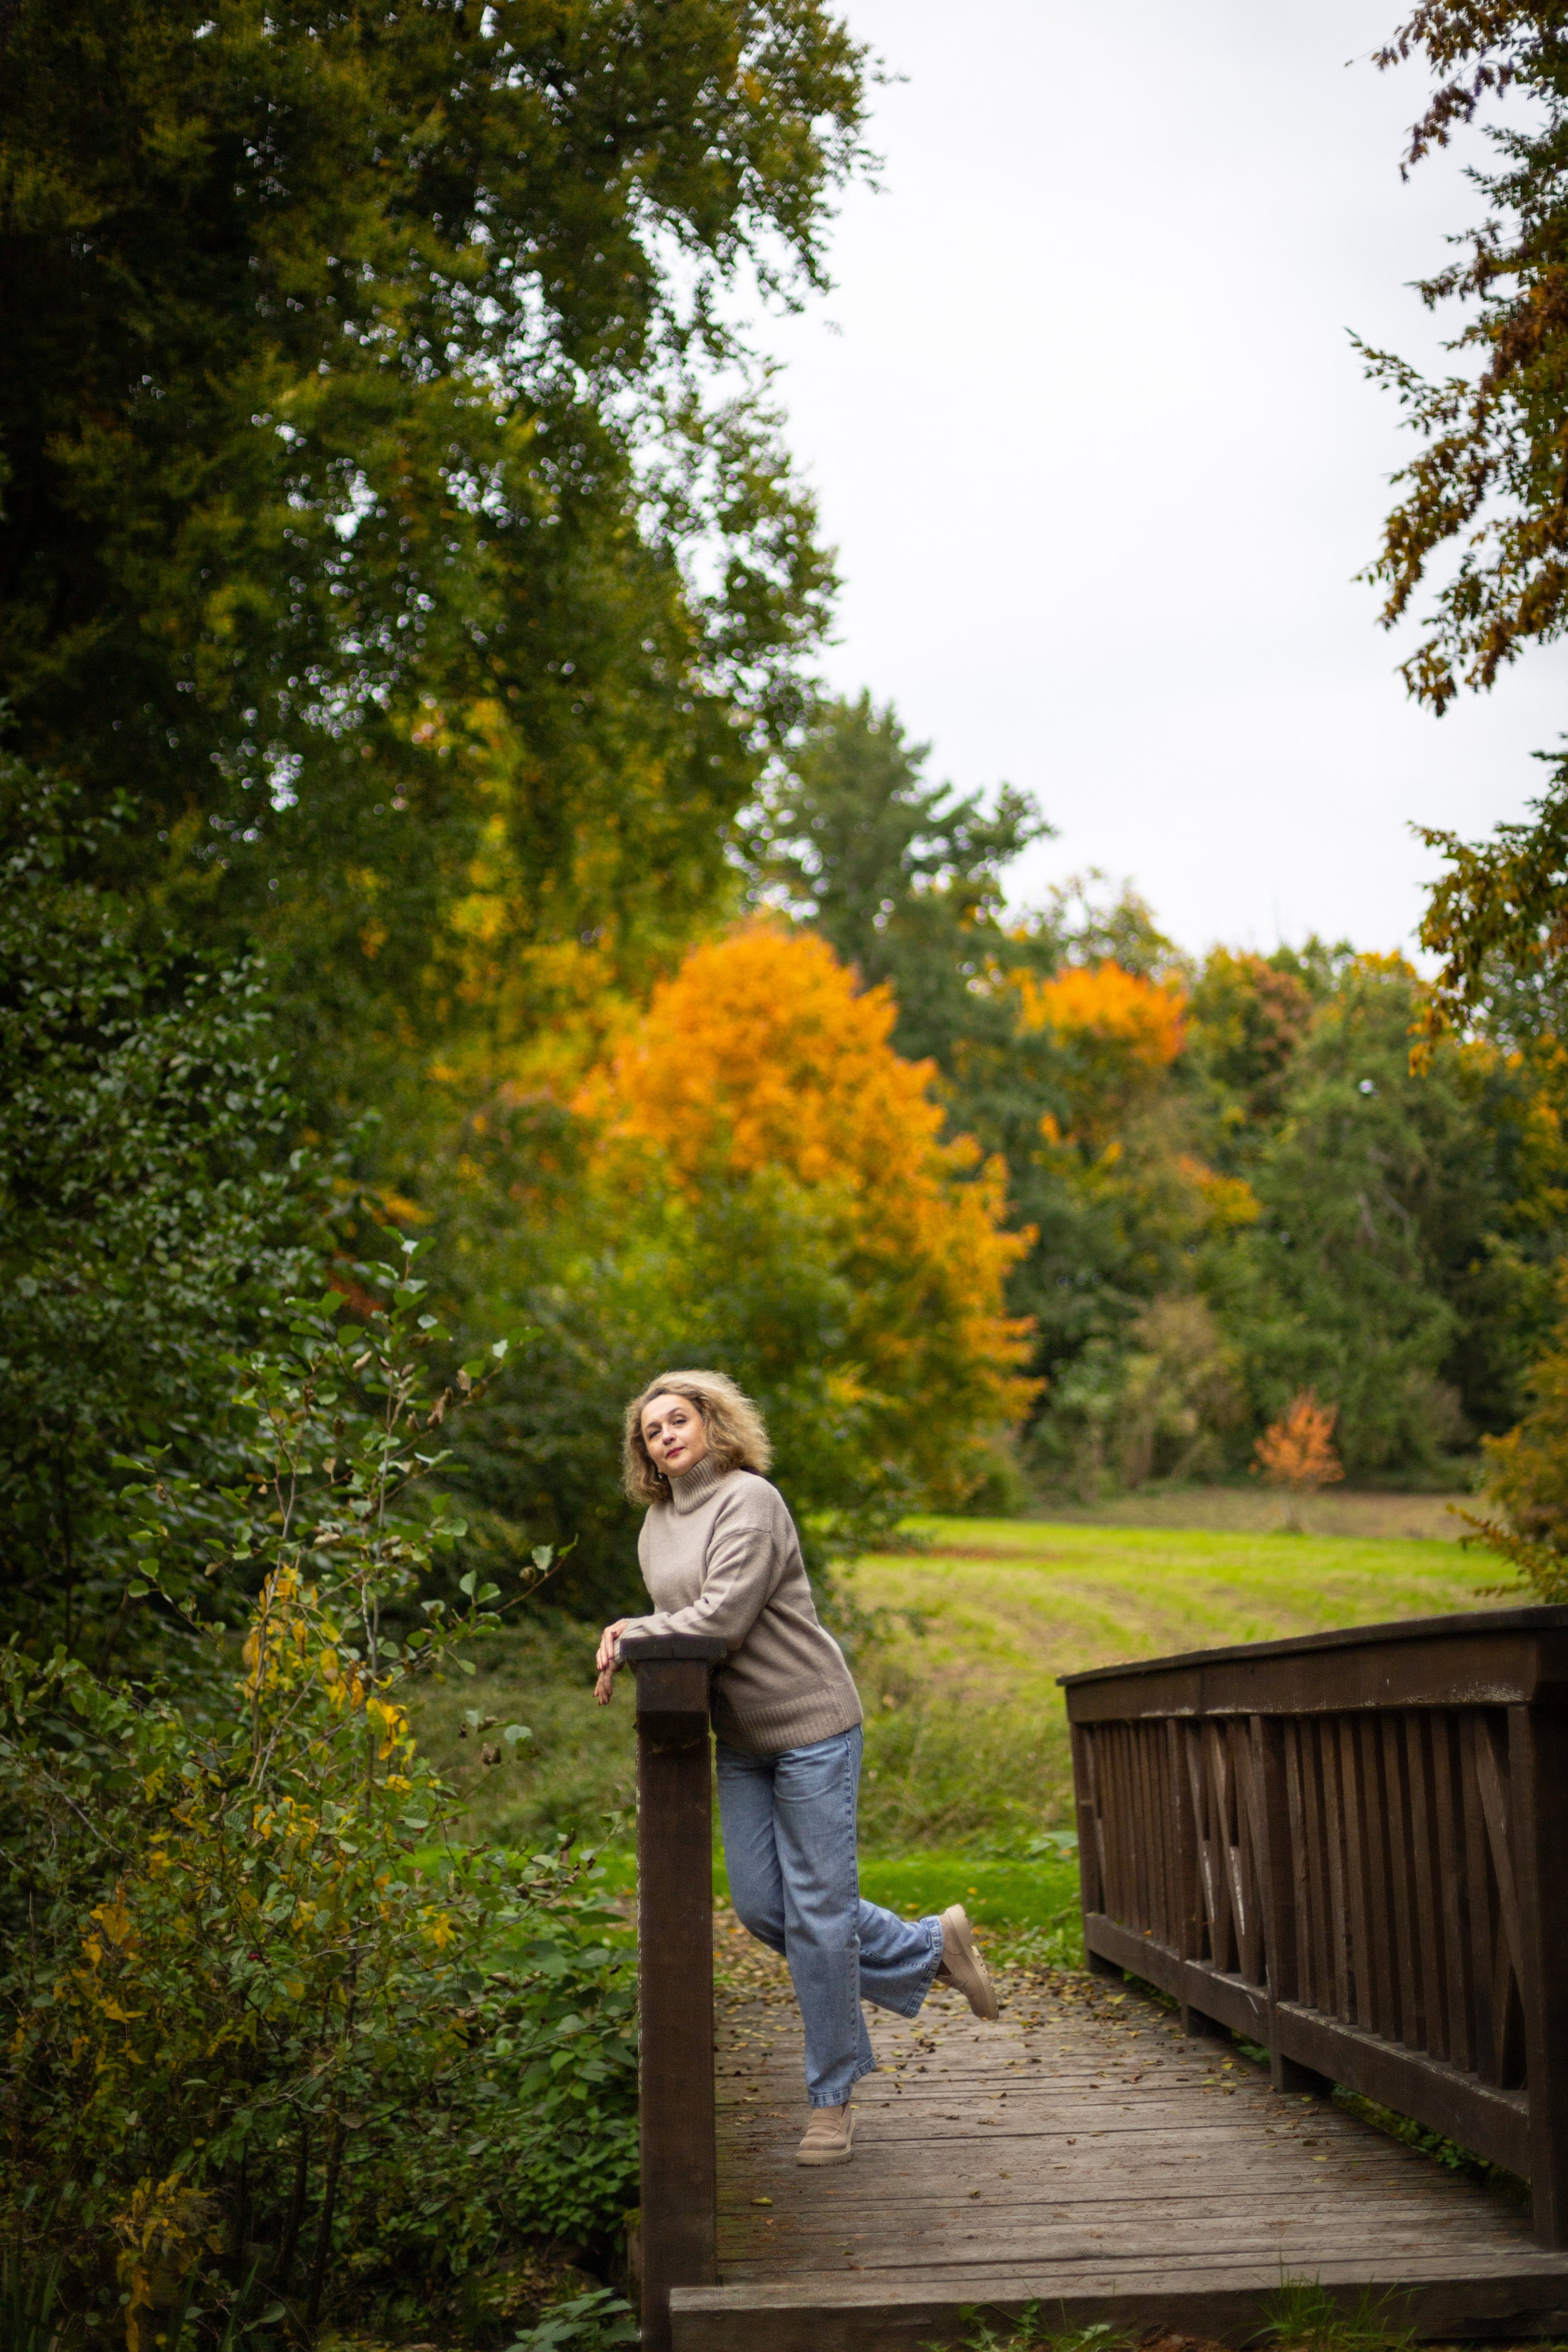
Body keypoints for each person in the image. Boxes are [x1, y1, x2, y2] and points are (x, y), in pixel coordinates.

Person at [595, 1368, 998, 2168]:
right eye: (652, 1431)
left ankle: (831, 2101)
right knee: (760, 1907)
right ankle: (928, 1949)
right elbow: (680, 1624)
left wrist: (628, 1629)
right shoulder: (654, 1527)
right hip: (741, 1737)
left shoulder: (752, 1500)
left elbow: (722, 1619)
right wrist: (638, 1631)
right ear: (644, 1452)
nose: (667, 1436)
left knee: (819, 1909)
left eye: (680, 1420)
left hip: (812, 1723)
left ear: (713, 1423)